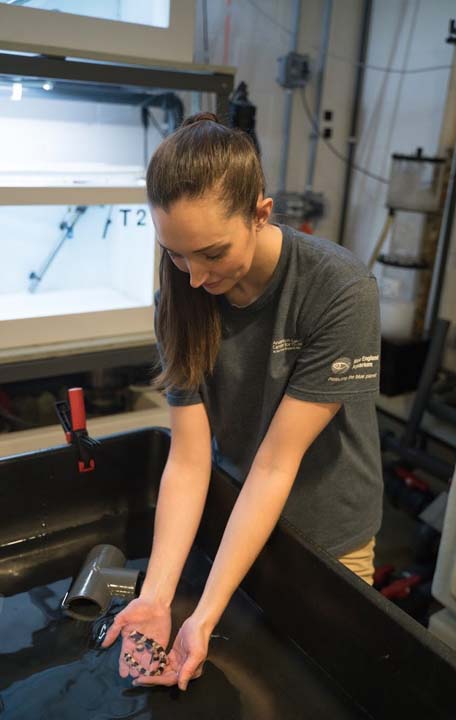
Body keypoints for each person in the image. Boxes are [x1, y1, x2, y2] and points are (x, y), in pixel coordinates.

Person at [102, 112, 383, 690]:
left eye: (211, 253)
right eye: (177, 255)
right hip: (238, 525)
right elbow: (188, 457)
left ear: (261, 211)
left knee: (319, 692)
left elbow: (277, 463)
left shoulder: (338, 290)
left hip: (329, 541)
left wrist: (202, 614)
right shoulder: (179, 296)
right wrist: (157, 597)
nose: (196, 277)